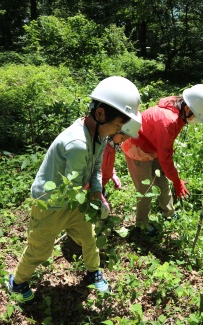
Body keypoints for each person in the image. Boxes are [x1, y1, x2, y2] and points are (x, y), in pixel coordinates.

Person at [7, 76, 142, 303]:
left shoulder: (99, 137)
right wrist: (93, 199)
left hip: (75, 201)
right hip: (51, 203)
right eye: (118, 125)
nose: (118, 130)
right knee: (40, 247)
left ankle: (93, 272)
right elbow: (74, 186)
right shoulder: (78, 144)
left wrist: (98, 193)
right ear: (100, 114)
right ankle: (17, 281)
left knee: (89, 238)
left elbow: (96, 168)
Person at [122, 84, 203, 235]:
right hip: (137, 147)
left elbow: (165, 151)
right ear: (187, 109)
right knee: (145, 190)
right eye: (196, 117)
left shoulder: (178, 111)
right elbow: (165, 158)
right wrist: (177, 181)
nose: (195, 121)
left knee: (162, 182)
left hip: (153, 146)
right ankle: (141, 224)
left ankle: (169, 213)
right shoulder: (169, 120)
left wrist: (175, 179)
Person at [101, 117, 141, 197]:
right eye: (122, 138)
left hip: (101, 185)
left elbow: (108, 163)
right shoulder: (102, 147)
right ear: (115, 131)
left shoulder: (112, 146)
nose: (123, 141)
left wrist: (113, 174)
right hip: (93, 187)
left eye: (126, 139)